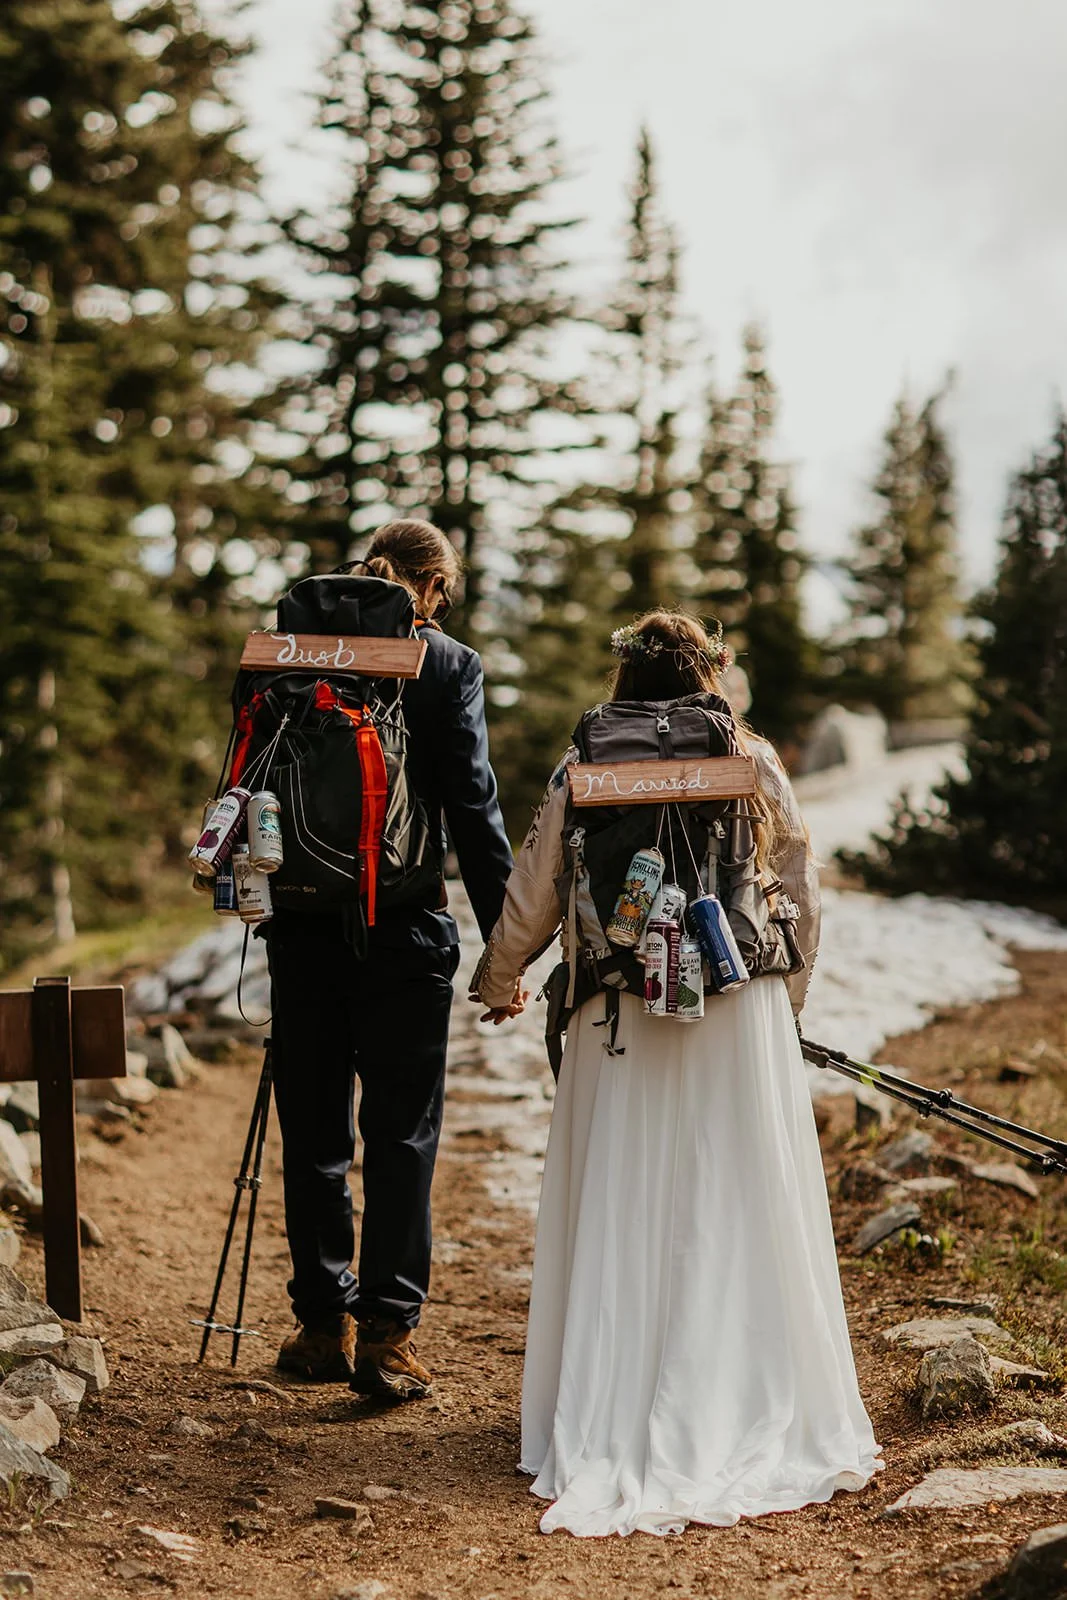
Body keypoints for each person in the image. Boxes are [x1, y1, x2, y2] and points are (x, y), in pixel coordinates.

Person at [472, 609, 881, 1536]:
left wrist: (501, 979)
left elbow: (536, 877)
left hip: (618, 1007)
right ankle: (741, 1390)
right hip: (735, 1002)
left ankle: (609, 1400)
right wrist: (790, 998)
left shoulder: (589, 760)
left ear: (624, 682)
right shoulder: (750, 756)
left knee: (625, 1197)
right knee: (733, 1196)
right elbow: (798, 882)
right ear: (709, 676)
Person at [268, 519, 517, 1399]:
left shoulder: (287, 647)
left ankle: (318, 1324)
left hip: (297, 928)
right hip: (404, 929)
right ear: (435, 587)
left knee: (314, 1134)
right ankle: (386, 1336)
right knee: (401, 1136)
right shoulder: (443, 662)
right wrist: (506, 946)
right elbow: (474, 811)